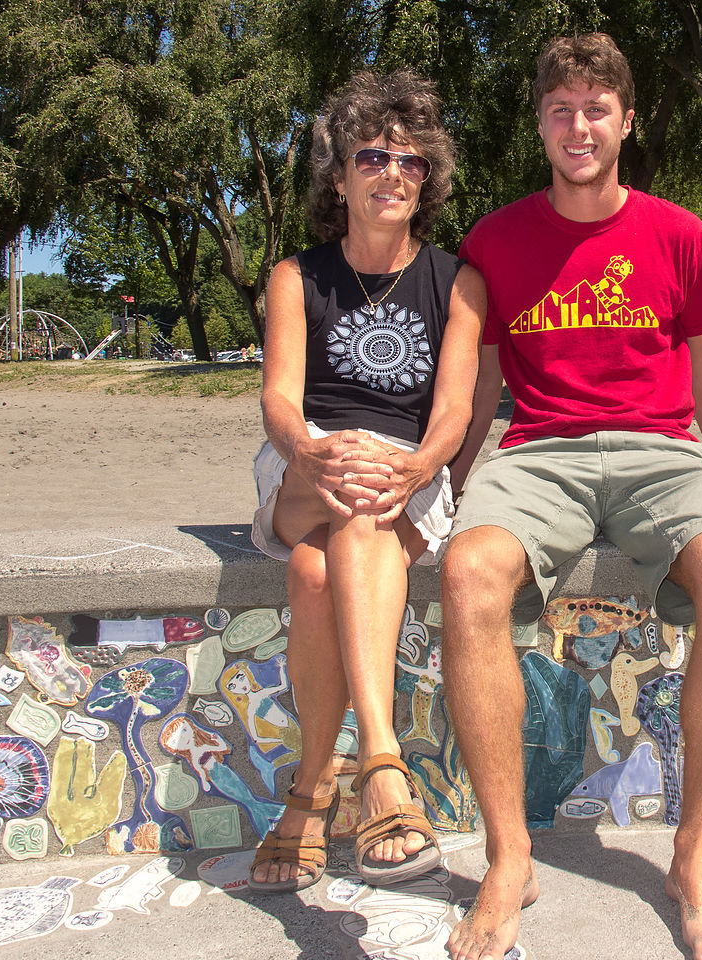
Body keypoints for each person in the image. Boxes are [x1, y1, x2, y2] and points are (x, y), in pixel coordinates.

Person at [441, 33, 702, 960]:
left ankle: (695, 854)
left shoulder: (681, 234)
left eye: (596, 110)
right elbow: (482, 379)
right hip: (541, 450)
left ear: (627, 121)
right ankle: (509, 856)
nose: (579, 127)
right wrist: (451, 485)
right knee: (470, 571)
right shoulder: (495, 239)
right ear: (539, 125)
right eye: (561, 110)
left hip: (662, 452)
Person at [246, 69, 484, 893]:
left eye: (411, 162)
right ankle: (383, 762)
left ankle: (310, 794)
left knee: (318, 570)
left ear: (428, 182)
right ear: (339, 177)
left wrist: (419, 465)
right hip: (309, 460)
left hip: (407, 467)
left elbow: (453, 412)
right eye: (373, 157)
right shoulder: (296, 276)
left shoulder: (457, 281)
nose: (392, 174)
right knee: (351, 479)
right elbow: (279, 400)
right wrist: (308, 453)